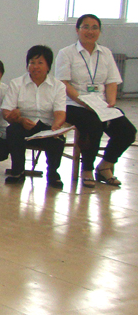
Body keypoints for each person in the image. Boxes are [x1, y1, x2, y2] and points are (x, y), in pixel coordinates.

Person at [55, 14, 136, 187]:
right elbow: (64, 83)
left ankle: (105, 165)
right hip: (74, 104)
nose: (90, 31)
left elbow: (111, 81)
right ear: (77, 30)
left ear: (99, 31)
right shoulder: (66, 53)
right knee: (93, 124)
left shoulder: (105, 53)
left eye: (94, 28)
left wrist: (111, 103)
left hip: (100, 104)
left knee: (127, 131)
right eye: (85, 27)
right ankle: (87, 169)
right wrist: (83, 102)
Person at [3, 45, 68, 188]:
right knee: (12, 130)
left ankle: (53, 173)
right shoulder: (17, 83)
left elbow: (60, 112)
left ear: (48, 66)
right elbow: (6, 111)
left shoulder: (58, 86)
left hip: (47, 126)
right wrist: (19, 119)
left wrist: (56, 125)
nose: (35, 67)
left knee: (58, 138)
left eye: (40, 63)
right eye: (32, 62)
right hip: (24, 125)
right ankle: (17, 171)